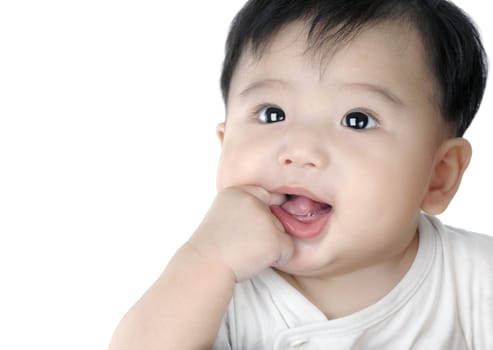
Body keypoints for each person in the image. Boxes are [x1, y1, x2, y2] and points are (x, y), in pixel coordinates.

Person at [108, 0, 493, 348]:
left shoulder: (473, 279)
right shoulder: (215, 288)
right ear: (225, 144)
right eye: (272, 114)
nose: (300, 150)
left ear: (438, 175)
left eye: (356, 120)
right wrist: (205, 259)